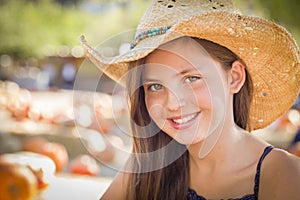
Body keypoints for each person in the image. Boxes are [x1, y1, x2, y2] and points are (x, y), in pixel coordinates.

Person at [79, 0, 300, 199]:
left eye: (191, 78)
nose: (173, 104)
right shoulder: (147, 168)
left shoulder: (282, 174)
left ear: (234, 77)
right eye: (155, 86)